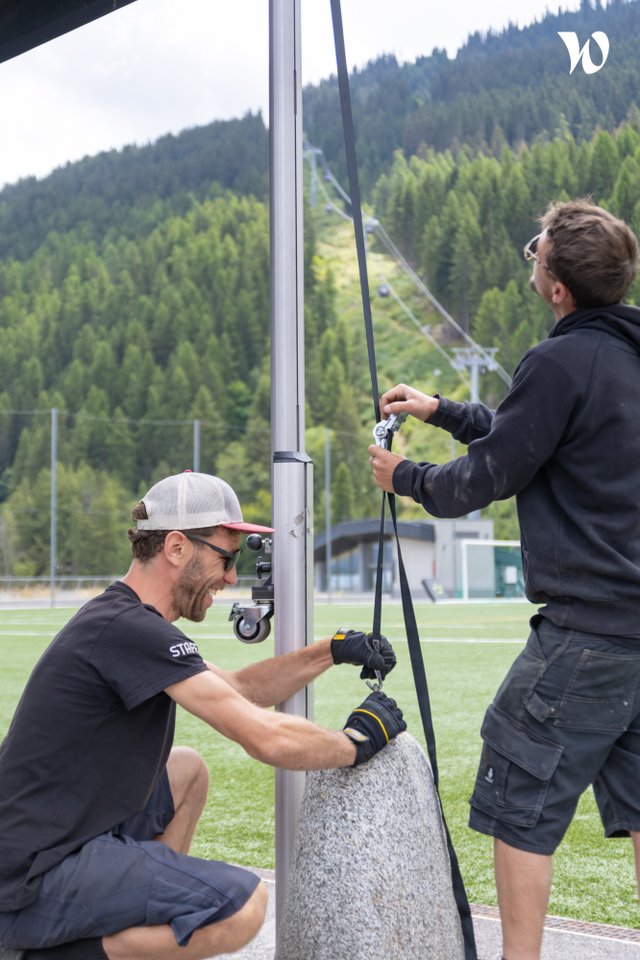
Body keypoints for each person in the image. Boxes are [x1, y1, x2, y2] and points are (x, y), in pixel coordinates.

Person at [368, 199, 640, 960]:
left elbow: (484, 478)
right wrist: (446, 412)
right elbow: (542, 438)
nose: (533, 260)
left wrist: (404, 475)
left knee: (521, 802)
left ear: (557, 287)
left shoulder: (559, 361)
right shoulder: (622, 355)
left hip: (587, 636)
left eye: (536, 252)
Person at [0, 471, 405, 960]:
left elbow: (241, 689)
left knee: (186, 770)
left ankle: (114, 929)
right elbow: (265, 739)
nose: (233, 577)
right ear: (175, 547)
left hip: (53, 842)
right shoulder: (130, 629)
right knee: (241, 908)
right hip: (31, 875)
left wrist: (333, 650)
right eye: (226, 557)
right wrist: (355, 743)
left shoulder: (124, 620)